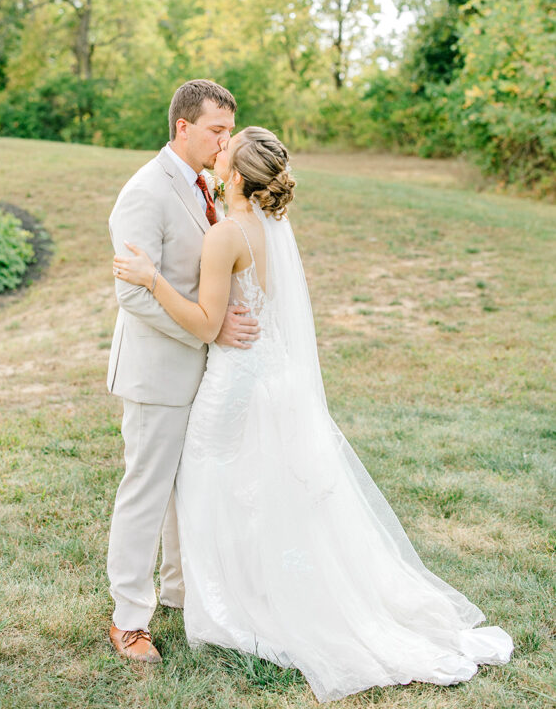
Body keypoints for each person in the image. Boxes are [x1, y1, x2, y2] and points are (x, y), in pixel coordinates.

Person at [112, 125, 513, 703]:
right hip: (269, 374)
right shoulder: (272, 227)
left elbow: (205, 323)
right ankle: (225, 589)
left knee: (209, 481)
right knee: (257, 486)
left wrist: (151, 277)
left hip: (232, 381)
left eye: (227, 144)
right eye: (217, 134)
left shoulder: (226, 234)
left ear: (238, 175)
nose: (219, 148)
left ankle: (230, 599)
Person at [106, 80, 260, 664]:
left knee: (183, 490)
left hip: (200, 369)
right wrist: (207, 327)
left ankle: (176, 590)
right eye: (217, 131)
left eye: (228, 131)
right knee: (145, 491)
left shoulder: (204, 186)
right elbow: (133, 296)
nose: (225, 143)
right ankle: (128, 620)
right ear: (182, 128)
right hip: (156, 371)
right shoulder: (145, 192)